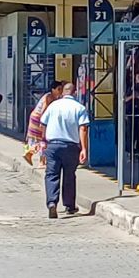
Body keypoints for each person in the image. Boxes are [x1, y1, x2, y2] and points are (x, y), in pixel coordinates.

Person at [39, 80, 90, 219]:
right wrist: (84, 148)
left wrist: (43, 141)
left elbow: (43, 123)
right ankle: (69, 205)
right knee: (69, 176)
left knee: (51, 175)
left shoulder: (53, 106)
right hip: (70, 146)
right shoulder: (79, 108)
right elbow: (83, 128)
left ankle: (51, 203)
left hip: (53, 145)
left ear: (63, 92)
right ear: (75, 93)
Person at [23, 82, 61, 166]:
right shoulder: (49, 97)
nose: (60, 91)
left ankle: (33, 155)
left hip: (38, 118)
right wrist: (43, 122)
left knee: (41, 140)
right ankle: (40, 161)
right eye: (58, 89)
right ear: (53, 89)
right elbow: (44, 111)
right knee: (42, 140)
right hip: (38, 119)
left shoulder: (53, 97)